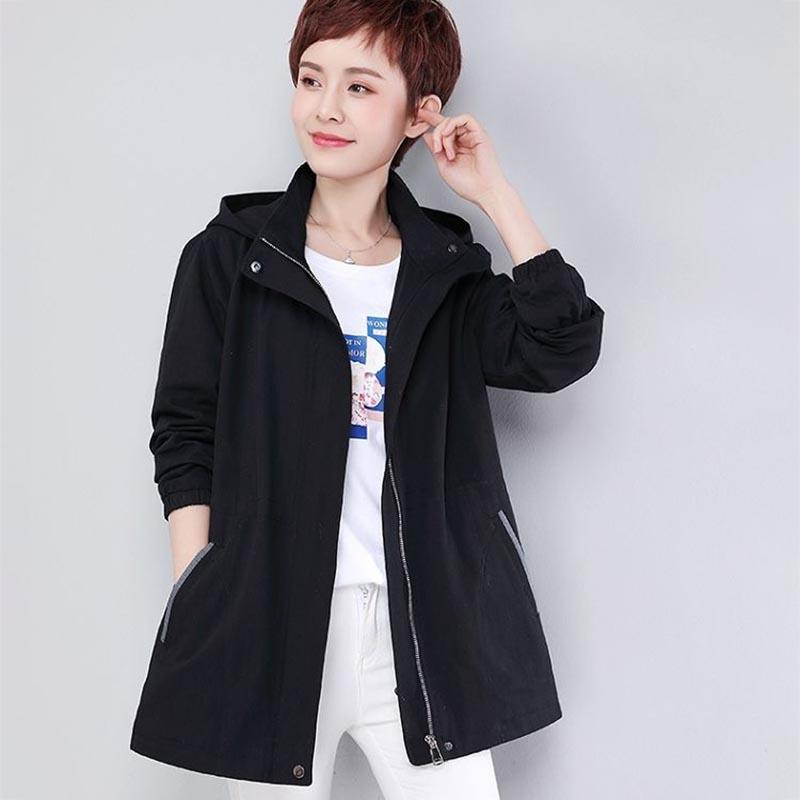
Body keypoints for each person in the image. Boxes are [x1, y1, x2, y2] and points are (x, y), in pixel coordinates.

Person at [129, 1, 605, 797]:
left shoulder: (445, 274)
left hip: (424, 631)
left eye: (359, 87)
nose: (325, 108)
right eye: (311, 79)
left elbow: (561, 347)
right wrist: (203, 587)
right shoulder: (231, 260)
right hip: (271, 620)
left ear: (418, 114)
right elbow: (185, 429)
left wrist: (494, 193)